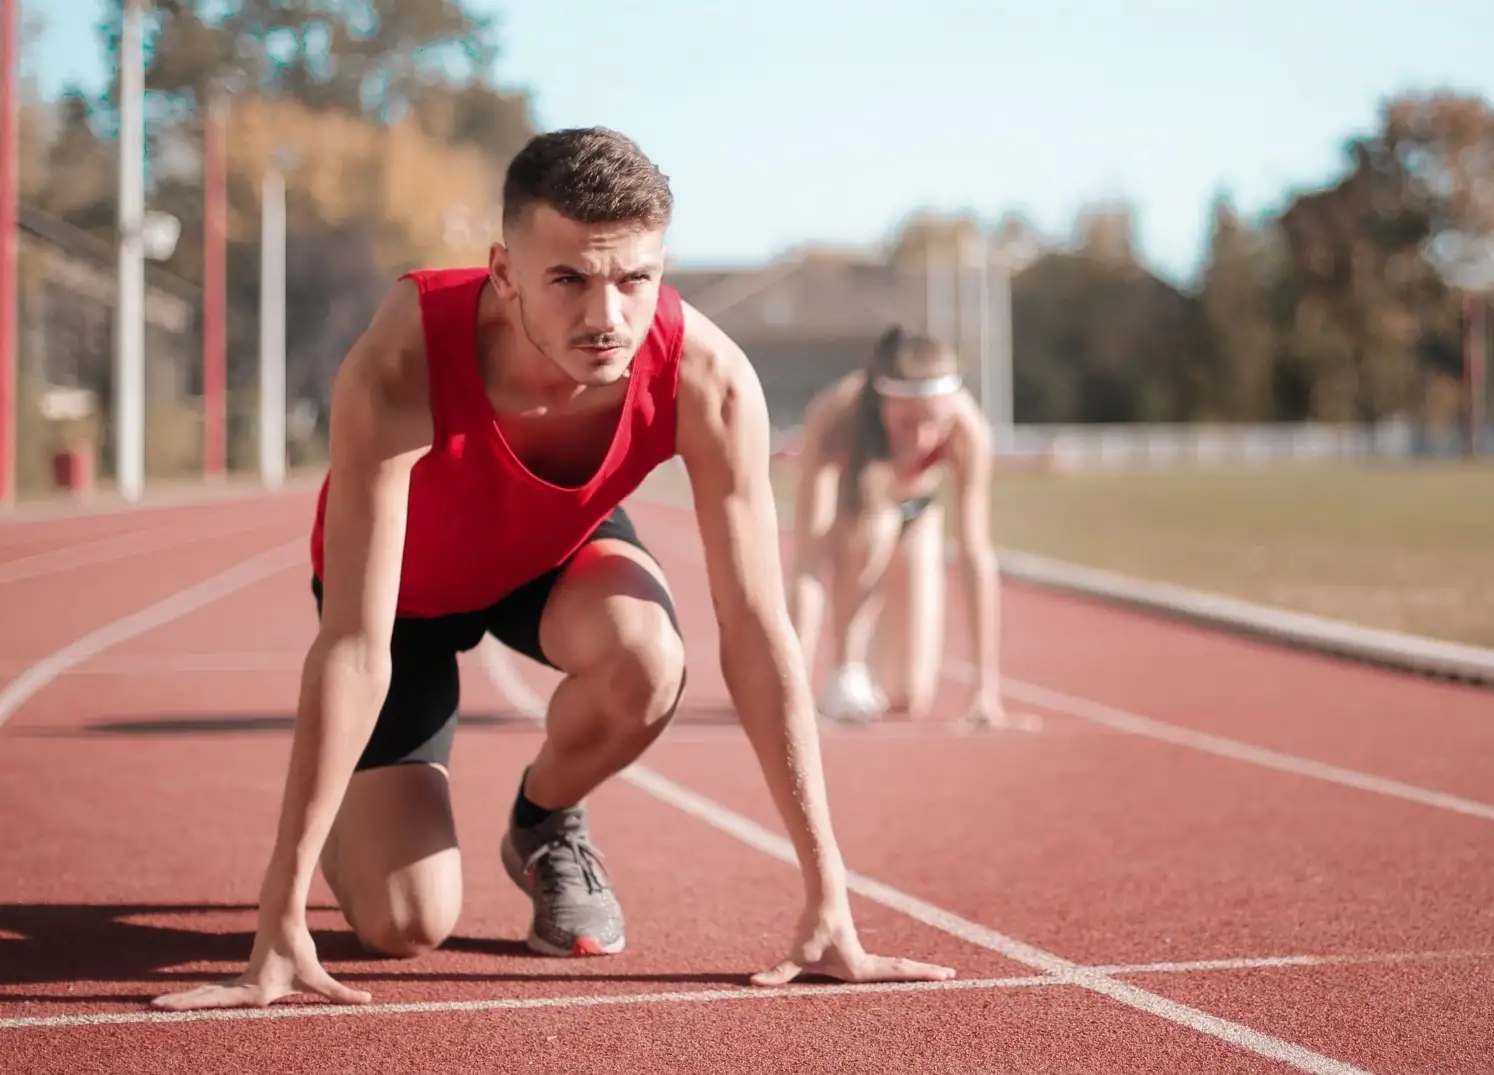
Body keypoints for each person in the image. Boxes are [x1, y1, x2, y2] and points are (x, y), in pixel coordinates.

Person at [151, 127, 953, 1012]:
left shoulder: (708, 380)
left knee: (651, 658)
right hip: (405, 598)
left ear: (661, 267)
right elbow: (353, 643)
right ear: (505, 272)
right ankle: (348, 801)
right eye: (568, 278)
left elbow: (759, 632)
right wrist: (280, 915)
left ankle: (544, 821)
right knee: (406, 924)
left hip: (550, 556)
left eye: (633, 279)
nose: (605, 316)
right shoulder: (402, 359)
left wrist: (828, 896)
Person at [785, 327, 1024, 729]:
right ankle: (847, 667)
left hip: (918, 514)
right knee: (877, 527)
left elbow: (975, 552)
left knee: (907, 696)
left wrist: (986, 689)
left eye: (934, 422)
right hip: (856, 516)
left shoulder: (968, 430)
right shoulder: (835, 418)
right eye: (907, 423)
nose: (921, 438)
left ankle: (879, 664)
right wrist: (792, 688)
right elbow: (808, 560)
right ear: (882, 405)